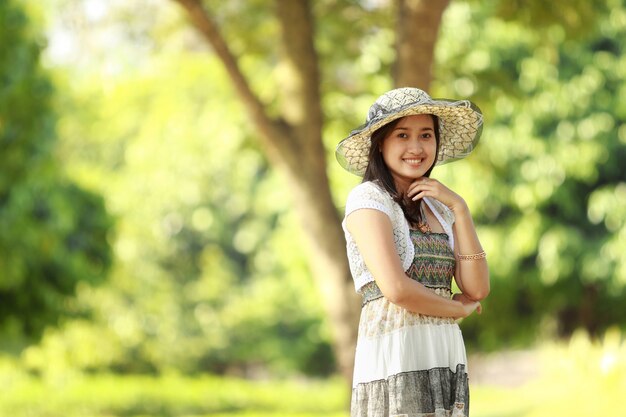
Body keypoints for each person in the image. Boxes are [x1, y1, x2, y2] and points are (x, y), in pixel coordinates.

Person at [336, 87, 490, 417]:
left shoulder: (441, 208)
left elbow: (476, 289)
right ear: (381, 143)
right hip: (397, 351)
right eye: (402, 135)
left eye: (426, 135)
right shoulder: (368, 200)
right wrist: (456, 310)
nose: (416, 147)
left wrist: (460, 208)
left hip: (442, 349)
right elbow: (396, 289)